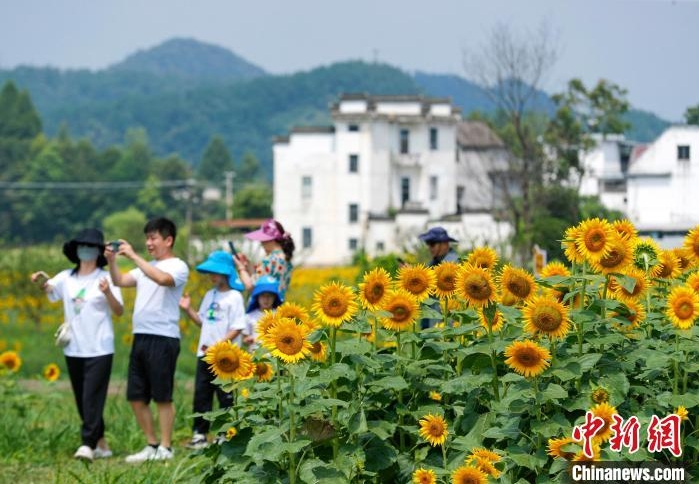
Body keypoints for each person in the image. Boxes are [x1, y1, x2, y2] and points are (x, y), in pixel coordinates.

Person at [31, 228, 124, 461]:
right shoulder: (65, 277)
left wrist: (108, 293)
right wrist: (41, 280)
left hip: (100, 347)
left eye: (90, 246)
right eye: (82, 246)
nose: (85, 250)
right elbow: (50, 290)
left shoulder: (106, 278)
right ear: (76, 250)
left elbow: (119, 311)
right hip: (73, 346)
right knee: (82, 398)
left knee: (93, 396)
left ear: (98, 251)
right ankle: (102, 444)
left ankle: (87, 444)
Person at [106, 217, 189, 463]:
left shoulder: (178, 265)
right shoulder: (145, 267)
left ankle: (166, 447)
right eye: (147, 238)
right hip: (141, 337)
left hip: (163, 338)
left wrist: (133, 256)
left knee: (163, 395)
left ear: (168, 240)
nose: (148, 243)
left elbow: (163, 280)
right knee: (135, 396)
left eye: (153, 238)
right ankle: (151, 444)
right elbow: (120, 281)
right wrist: (112, 261)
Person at [178, 250, 247, 449]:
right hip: (205, 354)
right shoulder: (210, 294)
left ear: (226, 272)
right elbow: (203, 321)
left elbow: (238, 327)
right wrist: (188, 309)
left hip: (226, 358)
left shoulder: (234, 297)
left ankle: (226, 433)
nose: (212, 276)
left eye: (215, 272)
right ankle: (199, 434)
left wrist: (219, 347)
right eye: (210, 272)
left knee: (225, 396)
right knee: (202, 394)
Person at [233, 219, 294, 299]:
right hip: (278, 307)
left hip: (263, 308)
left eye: (263, 240)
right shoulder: (285, 259)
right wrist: (248, 264)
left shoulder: (269, 260)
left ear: (271, 240)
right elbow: (262, 278)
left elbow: (251, 286)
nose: (261, 244)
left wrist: (241, 268)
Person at [418, 226, 460, 329]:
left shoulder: (453, 262)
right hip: (432, 316)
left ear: (445, 244)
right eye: (428, 244)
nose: (429, 248)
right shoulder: (435, 261)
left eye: (432, 244)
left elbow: (438, 284)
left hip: (446, 319)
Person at [242, 275, 283, 350]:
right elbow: (244, 338)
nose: (266, 299)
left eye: (269, 296)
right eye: (263, 296)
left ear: (275, 297)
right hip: (255, 356)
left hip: (274, 358)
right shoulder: (249, 316)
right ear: (257, 297)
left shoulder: (280, 315)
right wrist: (248, 340)